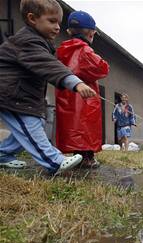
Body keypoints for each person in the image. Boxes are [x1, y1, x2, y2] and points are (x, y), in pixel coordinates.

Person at [0, 0, 96, 175]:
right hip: (10, 94)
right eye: (52, 21)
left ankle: (3, 154)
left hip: (22, 95)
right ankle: (54, 161)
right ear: (32, 19)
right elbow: (50, 66)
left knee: (35, 124)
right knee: (30, 125)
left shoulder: (39, 42)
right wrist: (76, 83)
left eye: (59, 22)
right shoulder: (28, 42)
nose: (57, 27)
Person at [55, 10, 109, 168]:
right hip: (85, 96)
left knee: (71, 125)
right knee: (86, 125)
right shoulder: (85, 50)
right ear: (91, 33)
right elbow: (102, 69)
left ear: (69, 31)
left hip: (66, 95)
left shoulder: (61, 50)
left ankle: (77, 156)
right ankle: (88, 158)